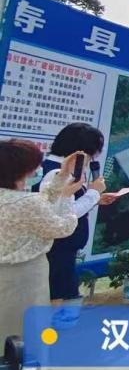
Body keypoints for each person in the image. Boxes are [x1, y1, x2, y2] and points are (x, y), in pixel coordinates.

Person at [0, 141, 85, 336]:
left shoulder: (22, 200)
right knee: (24, 332)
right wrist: (67, 197)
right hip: (23, 277)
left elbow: (42, 202)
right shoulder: (27, 202)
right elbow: (63, 228)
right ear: (22, 170)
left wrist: (63, 174)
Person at [41, 123, 116, 316]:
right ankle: (48, 332)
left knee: (59, 293)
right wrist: (93, 193)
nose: (91, 160)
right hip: (57, 248)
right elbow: (64, 213)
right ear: (80, 152)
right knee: (55, 296)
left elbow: (65, 205)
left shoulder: (61, 171)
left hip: (64, 247)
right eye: (91, 155)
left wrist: (95, 199)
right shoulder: (56, 174)